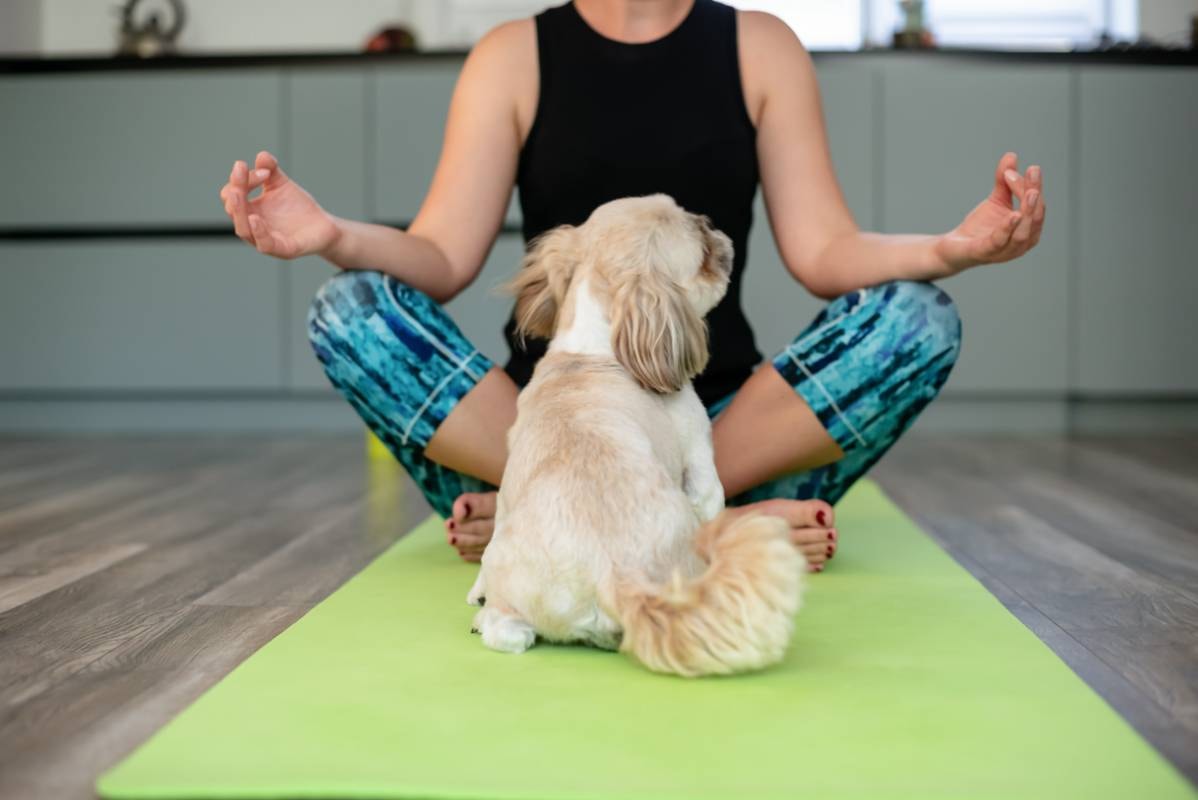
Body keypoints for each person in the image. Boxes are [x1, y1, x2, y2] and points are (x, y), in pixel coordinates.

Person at [218, 0, 1045, 571]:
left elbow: (824, 251)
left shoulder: (761, 47)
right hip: (550, 430)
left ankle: (568, 525)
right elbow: (439, 254)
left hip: (721, 432)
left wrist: (949, 249)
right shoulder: (511, 57)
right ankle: (706, 531)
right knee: (351, 307)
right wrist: (332, 238)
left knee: (918, 318)